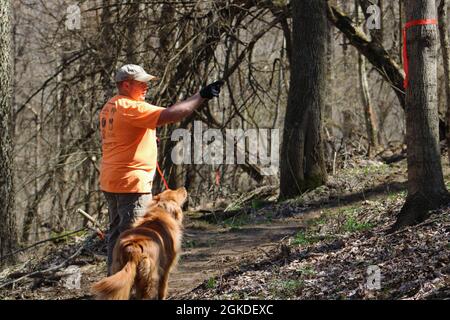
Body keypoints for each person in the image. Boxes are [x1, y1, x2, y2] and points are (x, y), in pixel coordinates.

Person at [99, 64, 223, 275]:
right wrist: (200, 96)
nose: (146, 86)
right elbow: (172, 115)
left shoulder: (110, 105)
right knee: (135, 240)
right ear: (126, 84)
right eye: (141, 83)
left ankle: (113, 284)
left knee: (117, 236)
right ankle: (129, 288)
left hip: (112, 181)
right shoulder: (131, 107)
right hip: (132, 185)